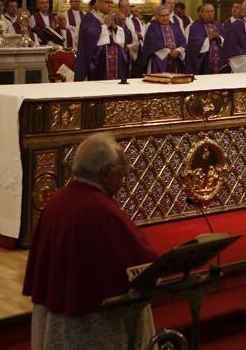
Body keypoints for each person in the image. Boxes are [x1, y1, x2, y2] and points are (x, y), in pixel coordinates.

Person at [23, 133, 159, 349]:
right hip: (93, 324)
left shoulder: (55, 202)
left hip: (59, 315)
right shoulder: (102, 211)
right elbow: (142, 261)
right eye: (121, 174)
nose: (123, 182)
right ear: (105, 173)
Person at [75, 0, 129, 81]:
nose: (110, 5)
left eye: (112, 2)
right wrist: (106, 26)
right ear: (98, 3)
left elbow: (127, 36)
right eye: (107, 2)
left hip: (116, 58)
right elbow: (89, 36)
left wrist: (115, 27)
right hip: (98, 60)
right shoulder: (89, 17)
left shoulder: (115, 17)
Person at [142, 5, 187, 73]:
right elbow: (152, 44)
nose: (165, 18)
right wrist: (169, 52)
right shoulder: (152, 28)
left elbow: (183, 41)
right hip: (158, 60)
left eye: (167, 15)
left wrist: (178, 51)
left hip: (176, 61)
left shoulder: (175, 27)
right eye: (162, 16)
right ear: (157, 16)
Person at [186, 3, 226, 75]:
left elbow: (226, 42)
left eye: (212, 11)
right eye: (207, 12)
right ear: (201, 13)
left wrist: (219, 37)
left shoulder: (218, 25)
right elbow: (193, 45)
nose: (210, 14)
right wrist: (208, 39)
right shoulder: (195, 26)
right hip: (204, 63)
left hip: (220, 62)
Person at [116, 0, 144, 73]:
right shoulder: (117, 18)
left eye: (128, 6)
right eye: (123, 6)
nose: (126, 8)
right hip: (124, 50)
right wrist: (135, 34)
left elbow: (143, 32)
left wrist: (140, 34)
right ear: (119, 8)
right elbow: (120, 33)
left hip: (137, 48)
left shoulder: (136, 19)